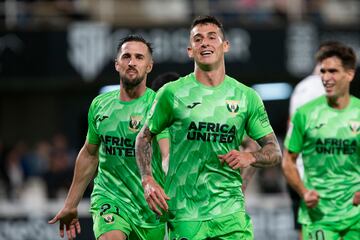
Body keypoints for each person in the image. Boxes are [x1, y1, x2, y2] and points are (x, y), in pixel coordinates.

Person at [135, 15, 282, 240]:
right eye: (198, 39)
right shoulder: (172, 93)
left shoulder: (246, 97)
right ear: (189, 50)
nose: (205, 43)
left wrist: (251, 157)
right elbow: (143, 138)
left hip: (229, 212)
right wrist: (147, 180)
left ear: (225, 46)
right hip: (186, 213)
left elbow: (274, 151)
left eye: (212, 37)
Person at [49, 35, 168, 240]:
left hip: (149, 206)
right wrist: (71, 204)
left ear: (149, 66)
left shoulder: (158, 105)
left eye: (139, 57)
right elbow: (89, 154)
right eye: (126, 56)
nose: (131, 62)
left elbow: (168, 156)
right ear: (117, 64)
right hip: (110, 197)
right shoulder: (100, 105)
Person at [282, 41, 360, 240]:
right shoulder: (305, 114)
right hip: (318, 216)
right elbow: (288, 160)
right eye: (323, 71)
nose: (325, 78)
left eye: (332, 71)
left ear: (350, 74)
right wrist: (303, 191)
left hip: (356, 215)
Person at [287, 41, 339, 239]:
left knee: (307, 228)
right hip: (316, 171)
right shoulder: (320, 87)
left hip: (296, 168)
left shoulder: (302, 87)